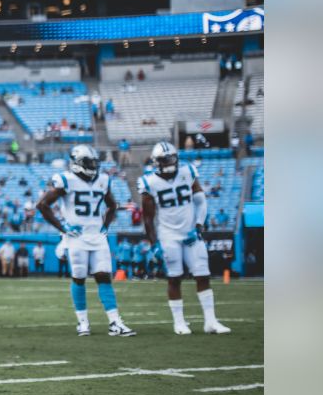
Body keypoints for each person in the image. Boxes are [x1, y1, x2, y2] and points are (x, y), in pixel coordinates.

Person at [36, 145, 136, 337]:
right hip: (77, 237)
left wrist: (105, 226)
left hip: (97, 236)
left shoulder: (103, 179)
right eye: (88, 162)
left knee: (104, 276)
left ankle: (115, 322)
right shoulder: (66, 179)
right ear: (77, 163)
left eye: (93, 162)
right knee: (79, 277)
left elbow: (112, 205)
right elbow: (42, 205)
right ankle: (83, 322)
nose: (92, 166)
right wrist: (63, 228)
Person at [138, 142, 231, 335]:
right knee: (174, 277)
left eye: (171, 158)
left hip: (190, 233)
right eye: (164, 160)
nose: (169, 162)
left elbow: (200, 201)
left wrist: (198, 225)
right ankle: (179, 323)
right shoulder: (149, 182)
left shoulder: (188, 171)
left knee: (203, 275)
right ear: (156, 162)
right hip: (168, 235)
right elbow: (148, 218)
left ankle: (211, 321)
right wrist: (154, 243)